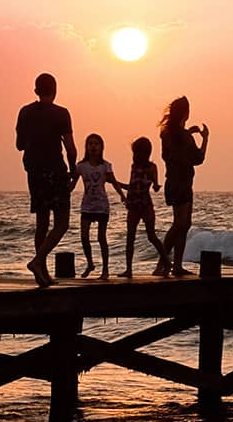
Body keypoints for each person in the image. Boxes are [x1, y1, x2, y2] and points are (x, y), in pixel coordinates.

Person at [15, 73, 76, 287]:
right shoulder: (61, 114)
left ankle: (42, 273)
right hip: (55, 171)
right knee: (62, 223)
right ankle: (39, 261)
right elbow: (70, 148)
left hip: (34, 172)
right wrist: (73, 171)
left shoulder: (24, 112)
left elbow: (19, 145)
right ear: (55, 89)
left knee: (42, 222)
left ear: (35, 91)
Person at [158, 96, 209, 277]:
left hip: (172, 182)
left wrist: (188, 132)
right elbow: (198, 158)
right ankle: (164, 264)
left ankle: (173, 265)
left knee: (183, 224)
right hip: (183, 183)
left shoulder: (167, 133)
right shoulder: (183, 137)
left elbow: (174, 150)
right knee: (181, 224)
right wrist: (205, 138)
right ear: (186, 113)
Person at [69, 133, 126, 279]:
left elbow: (114, 182)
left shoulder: (105, 166)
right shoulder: (81, 166)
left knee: (102, 238)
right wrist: (63, 192)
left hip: (102, 206)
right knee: (84, 236)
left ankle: (105, 270)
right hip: (87, 206)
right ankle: (90, 263)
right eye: (90, 144)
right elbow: (72, 184)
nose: (93, 147)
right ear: (86, 147)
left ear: (101, 147)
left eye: (96, 144)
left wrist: (122, 195)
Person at [117, 137, 170, 278]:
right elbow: (131, 187)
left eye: (137, 152)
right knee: (130, 237)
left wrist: (156, 185)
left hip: (145, 205)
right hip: (133, 206)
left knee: (151, 236)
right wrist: (115, 183)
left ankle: (166, 262)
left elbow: (155, 185)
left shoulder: (152, 167)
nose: (136, 155)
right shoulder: (134, 167)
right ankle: (128, 269)